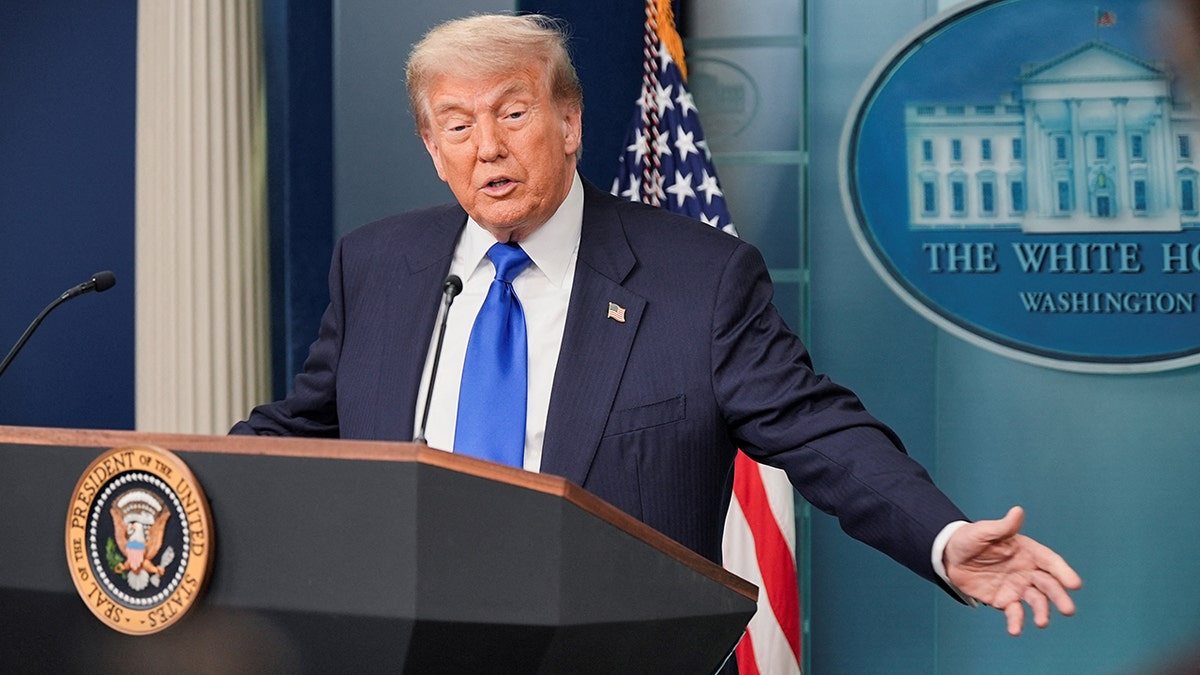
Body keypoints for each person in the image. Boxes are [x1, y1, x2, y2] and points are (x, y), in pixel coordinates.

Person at [232, 12, 1080, 639]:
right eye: (457, 125)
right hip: (403, 648)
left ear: (569, 124)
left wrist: (941, 535)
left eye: (512, 113)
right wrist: (164, 480)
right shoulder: (378, 266)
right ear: (431, 146)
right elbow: (304, 431)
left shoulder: (697, 280)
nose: (486, 146)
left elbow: (818, 427)